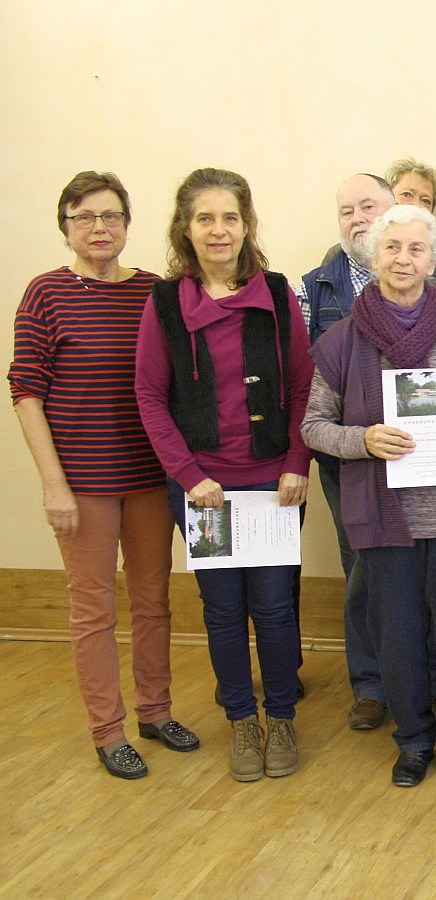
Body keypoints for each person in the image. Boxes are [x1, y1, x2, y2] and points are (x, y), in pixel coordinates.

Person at [303, 204, 436, 790]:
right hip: (385, 523)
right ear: (373, 258)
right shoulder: (342, 342)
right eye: (392, 247)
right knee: (397, 639)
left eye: (416, 249)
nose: (403, 259)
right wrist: (362, 439)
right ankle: (414, 741)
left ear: (433, 259)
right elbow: (313, 426)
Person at [9, 171, 197, 779]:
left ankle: (155, 712)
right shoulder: (45, 294)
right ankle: (107, 731)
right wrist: (52, 483)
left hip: (149, 477)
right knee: (92, 610)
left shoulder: (154, 292)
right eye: (84, 217)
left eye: (110, 216)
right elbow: (26, 391)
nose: (99, 228)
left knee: (154, 602)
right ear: (65, 226)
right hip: (81, 484)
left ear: (127, 223)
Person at [135, 167, 313, 782]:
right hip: (204, 490)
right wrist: (188, 477)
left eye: (230, 217)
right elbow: (150, 398)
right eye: (205, 218)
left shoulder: (278, 294)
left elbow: (302, 385)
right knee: (220, 610)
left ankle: (282, 716)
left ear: (246, 225)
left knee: (274, 606)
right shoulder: (163, 304)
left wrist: (296, 463)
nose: (219, 230)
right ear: (186, 228)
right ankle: (242, 722)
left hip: (271, 486)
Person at [296, 173, 394, 731]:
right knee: (361, 568)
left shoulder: (427, 272)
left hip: (419, 456)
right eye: (346, 210)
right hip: (347, 459)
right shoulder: (315, 289)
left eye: (368, 206)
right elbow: (307, 383)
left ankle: (417, 674)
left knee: (418, 565)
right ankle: (371, 684)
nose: (357, 218)